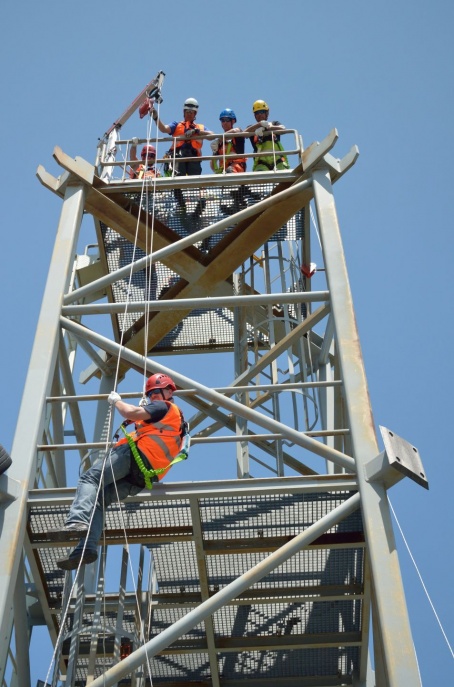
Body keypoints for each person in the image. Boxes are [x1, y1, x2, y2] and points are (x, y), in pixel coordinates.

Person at [51, 374, 187, 571]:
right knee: (100, 499)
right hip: (144, 476)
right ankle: (87, 548)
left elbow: (130, 412)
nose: (154, 397)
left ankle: (76, 521)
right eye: (151, 394)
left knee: (90, 478)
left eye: (157, 392)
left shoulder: (164, 407)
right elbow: (147, 428)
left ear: (168, 392)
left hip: (136, 457)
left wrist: (117, 401)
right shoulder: (174, 423)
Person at [151, 97, 211, 176]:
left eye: (191, 112)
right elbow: (163, 129)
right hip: (178, 157)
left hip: (194, 159)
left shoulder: (200, 127)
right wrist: (156, 118)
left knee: (194, 182)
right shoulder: (176, 125)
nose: (189, 114)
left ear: (195, 113)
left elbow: (211, 136)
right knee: (177, 178)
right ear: (184, 112)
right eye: (187, 112)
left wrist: (197, 131)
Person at [244, 100, 290, 172]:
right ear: (254, 115)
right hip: (261, 163)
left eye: (262, 112)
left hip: (277, 160)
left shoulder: (274, 123)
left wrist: (268, 127)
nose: (259, 115)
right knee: (258, 181)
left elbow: (283, 129)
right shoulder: (252, 128)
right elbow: (244, 134)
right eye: (257, 113)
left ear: (267, 113)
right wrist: (259, 125)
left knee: (284, 179)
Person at [210, 109, 246, 174]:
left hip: (237, 169)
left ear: (233, 121)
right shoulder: (220, 144)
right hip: (224, 172)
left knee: (229, 171)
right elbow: (212, 165)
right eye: (222, 120)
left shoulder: (237, 136)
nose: (225, 122)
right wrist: (214, 152)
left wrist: (220, 139)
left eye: (227, 120)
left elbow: (236, 130)